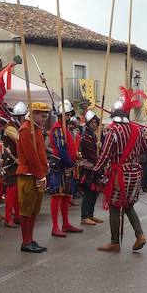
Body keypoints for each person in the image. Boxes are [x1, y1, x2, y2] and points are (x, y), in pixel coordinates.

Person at [94, 88, 147, 253]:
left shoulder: (113, 130)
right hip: (135, 172)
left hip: (120, 174)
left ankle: (114, 242)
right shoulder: (138, 130)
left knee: (114, 205)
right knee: (128, 205)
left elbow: (105, 154)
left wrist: (96, 170)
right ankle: (140, 235)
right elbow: (145, 150)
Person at [16, 102, 51, 253]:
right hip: (30, 174)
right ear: (34, 114)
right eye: (42, 116)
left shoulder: (36, 129)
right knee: (26, 209)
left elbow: (40, 153)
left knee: (34, 209)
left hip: (38, 174)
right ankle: (25, 241)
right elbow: (31, 156)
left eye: (45, 116)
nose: (44, 119)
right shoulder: (26, 130)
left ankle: (30, 239)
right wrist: (39, 175)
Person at [47, 100, 82, 237]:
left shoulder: (64, 128)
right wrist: (69, 163)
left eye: (69, 115)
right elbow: (61, 150)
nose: (69, 117)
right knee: (57, 195)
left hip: (67, 165)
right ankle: (55, 226)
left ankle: (66, 223)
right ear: (61, 116)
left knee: (65, 195)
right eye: (66, 115)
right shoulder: (57, 129)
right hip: (60, 165)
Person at [1, 102, 26, 228]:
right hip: (11, 162)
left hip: (18, 161)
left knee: (18, 191)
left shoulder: (17, 125)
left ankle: (17, 216)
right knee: (12, 190)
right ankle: (8, 217)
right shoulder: (10, 127)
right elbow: (20, 139)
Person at [78, 110, 103, 226]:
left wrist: (100, 147)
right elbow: (91, 153)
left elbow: (98, 152)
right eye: (91, 122)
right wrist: (97, 149)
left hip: (95, 168)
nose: (94, 124)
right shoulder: (86, 136)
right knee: (88, 193)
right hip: (88, 168)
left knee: (94, 193)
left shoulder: (94, 136)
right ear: (88, 124)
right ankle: (84, 216)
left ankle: (91, 215)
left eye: (95, 122)